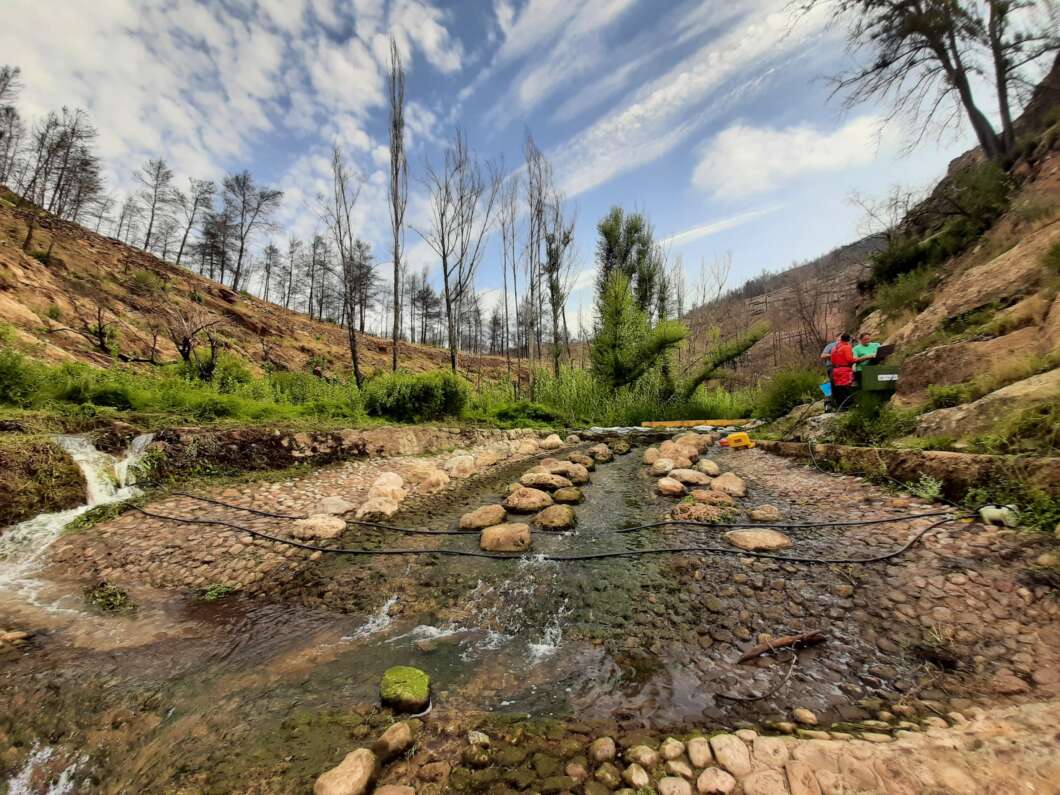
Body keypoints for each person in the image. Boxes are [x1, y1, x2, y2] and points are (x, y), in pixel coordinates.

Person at [830, 333, 856, 410]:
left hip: (835, 370)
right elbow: (850, 359)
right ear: (848, 340)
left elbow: (832, 360)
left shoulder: (835, 348)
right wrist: (858, 359)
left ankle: (840, 406)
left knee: (838, 389)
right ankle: (849, 405)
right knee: (846, 388)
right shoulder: (846, 347)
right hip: (844, 370)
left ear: (841, 339)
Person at [820, 333, 841, 408]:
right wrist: (833, 355)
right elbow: (823, 356)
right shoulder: (831, 346)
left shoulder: (847, 346)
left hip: (844, 367)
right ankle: (827, 403)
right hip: (832, 366)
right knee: (828, 383)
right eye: (840, 338)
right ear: (836, 339)